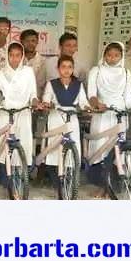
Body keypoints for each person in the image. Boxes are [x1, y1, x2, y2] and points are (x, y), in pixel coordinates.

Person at [0, 42, 38, 187]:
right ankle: (6, 177)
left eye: (18, 55)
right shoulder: (0, 74)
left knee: (23, 146)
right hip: (5, 114)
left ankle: (21, 179)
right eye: (11, 55)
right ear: (7, 56)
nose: (14, 59)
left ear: (22, 56)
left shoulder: (28, 72)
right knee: (5, 148)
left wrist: (35, 101)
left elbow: (33, 94)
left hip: (23, 114)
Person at [87, 41, 131, 195]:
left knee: (118, 151)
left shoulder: (126, 72)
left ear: (121, 56)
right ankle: (102, 186)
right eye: (109, 55)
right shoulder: (96, 70)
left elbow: (128, 97)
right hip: (102, 114)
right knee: (101, 149)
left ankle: (112, 187)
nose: (112, 58)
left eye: (116, 55)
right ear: (104, 55)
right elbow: (91, 94)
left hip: (119, 114)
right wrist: (97, 104)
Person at [41, 55, 88, 187]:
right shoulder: (52, 84)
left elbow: (83, 102)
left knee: (72, 146)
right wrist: (47, 103)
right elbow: (46, 98)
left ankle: (70, 178)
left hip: (72, 117)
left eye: (69, 67)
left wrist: (87, 107)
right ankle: (56, 178)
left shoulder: (78, 84)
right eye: (63, 67)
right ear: (58, 69)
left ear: (73, 69)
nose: (66, 70)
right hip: (56, 116)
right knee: (54, 148)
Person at [20, 29, 47, 99]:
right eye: (27, 41)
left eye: (33, 41)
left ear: (37, 42)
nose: (30, 44)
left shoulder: (43, 62)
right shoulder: (17, 60)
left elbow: (44, 85)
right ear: (21, 42)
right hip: (18, 100)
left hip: (37, 101)